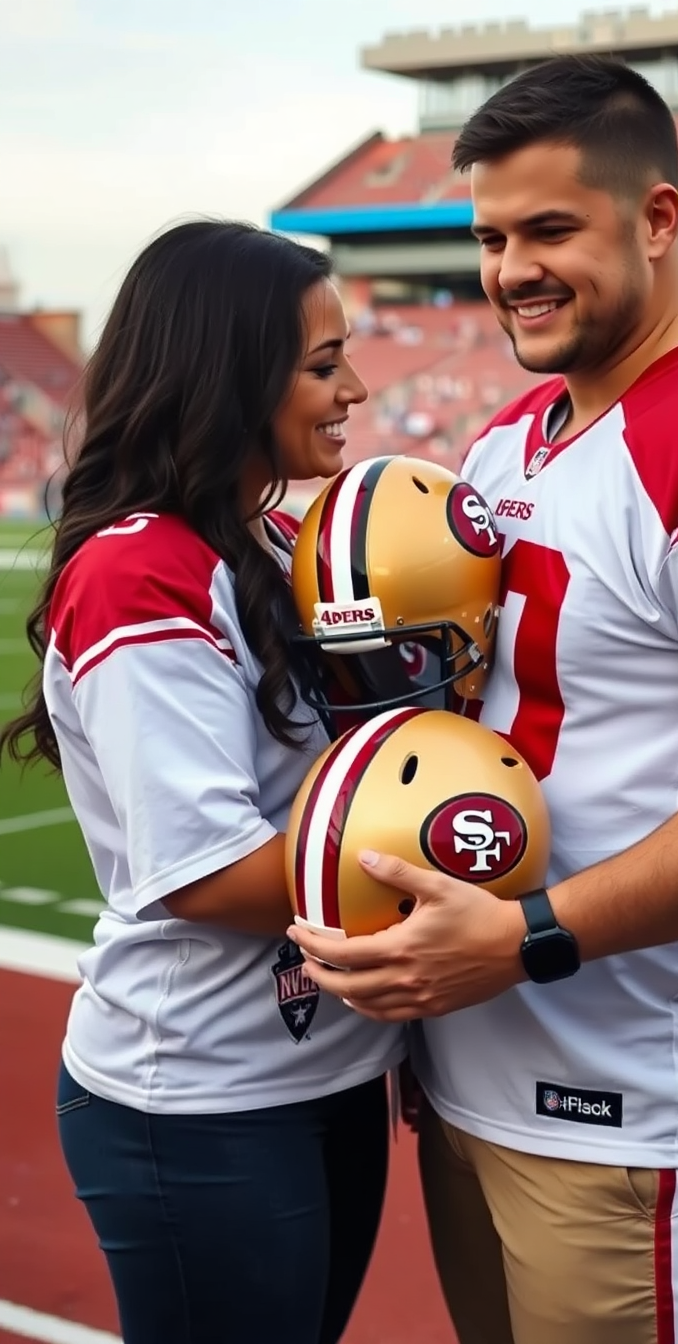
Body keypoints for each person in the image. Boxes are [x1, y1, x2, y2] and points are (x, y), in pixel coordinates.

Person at [288, 55, 678, 1344]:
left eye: (551, 228)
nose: (512, 269)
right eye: (492, 237)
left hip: (627, 1094)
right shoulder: (513, 439)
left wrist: (531, 934)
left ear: (659, 221)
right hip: (477, 1072)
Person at [0, 220, 405, 1344]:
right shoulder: (142, 568)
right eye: (323, 365)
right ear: (227, 372)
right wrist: (437, 851)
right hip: (203, 1094)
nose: (356, 389)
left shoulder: (268, 542)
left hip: (320, 1067)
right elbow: (209, 873)